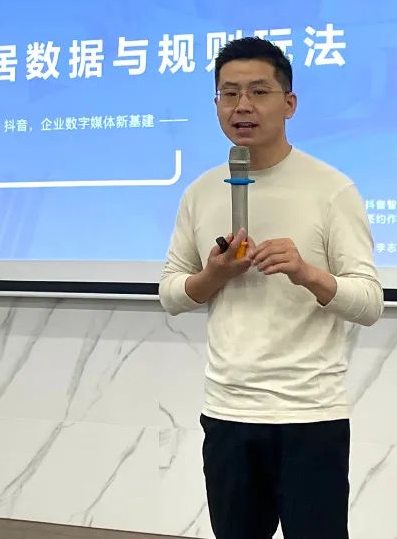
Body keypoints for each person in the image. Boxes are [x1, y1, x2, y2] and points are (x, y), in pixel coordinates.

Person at [159, 37, 383, 539]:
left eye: (259, 92)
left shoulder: (331, 190)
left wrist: (306, 272)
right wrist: (213, 275)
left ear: (289, 103)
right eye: (229, 93)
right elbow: (170, 293)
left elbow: (369, 303)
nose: (242, 106)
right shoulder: (200, 192)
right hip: (227, 412)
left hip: (309, 414)